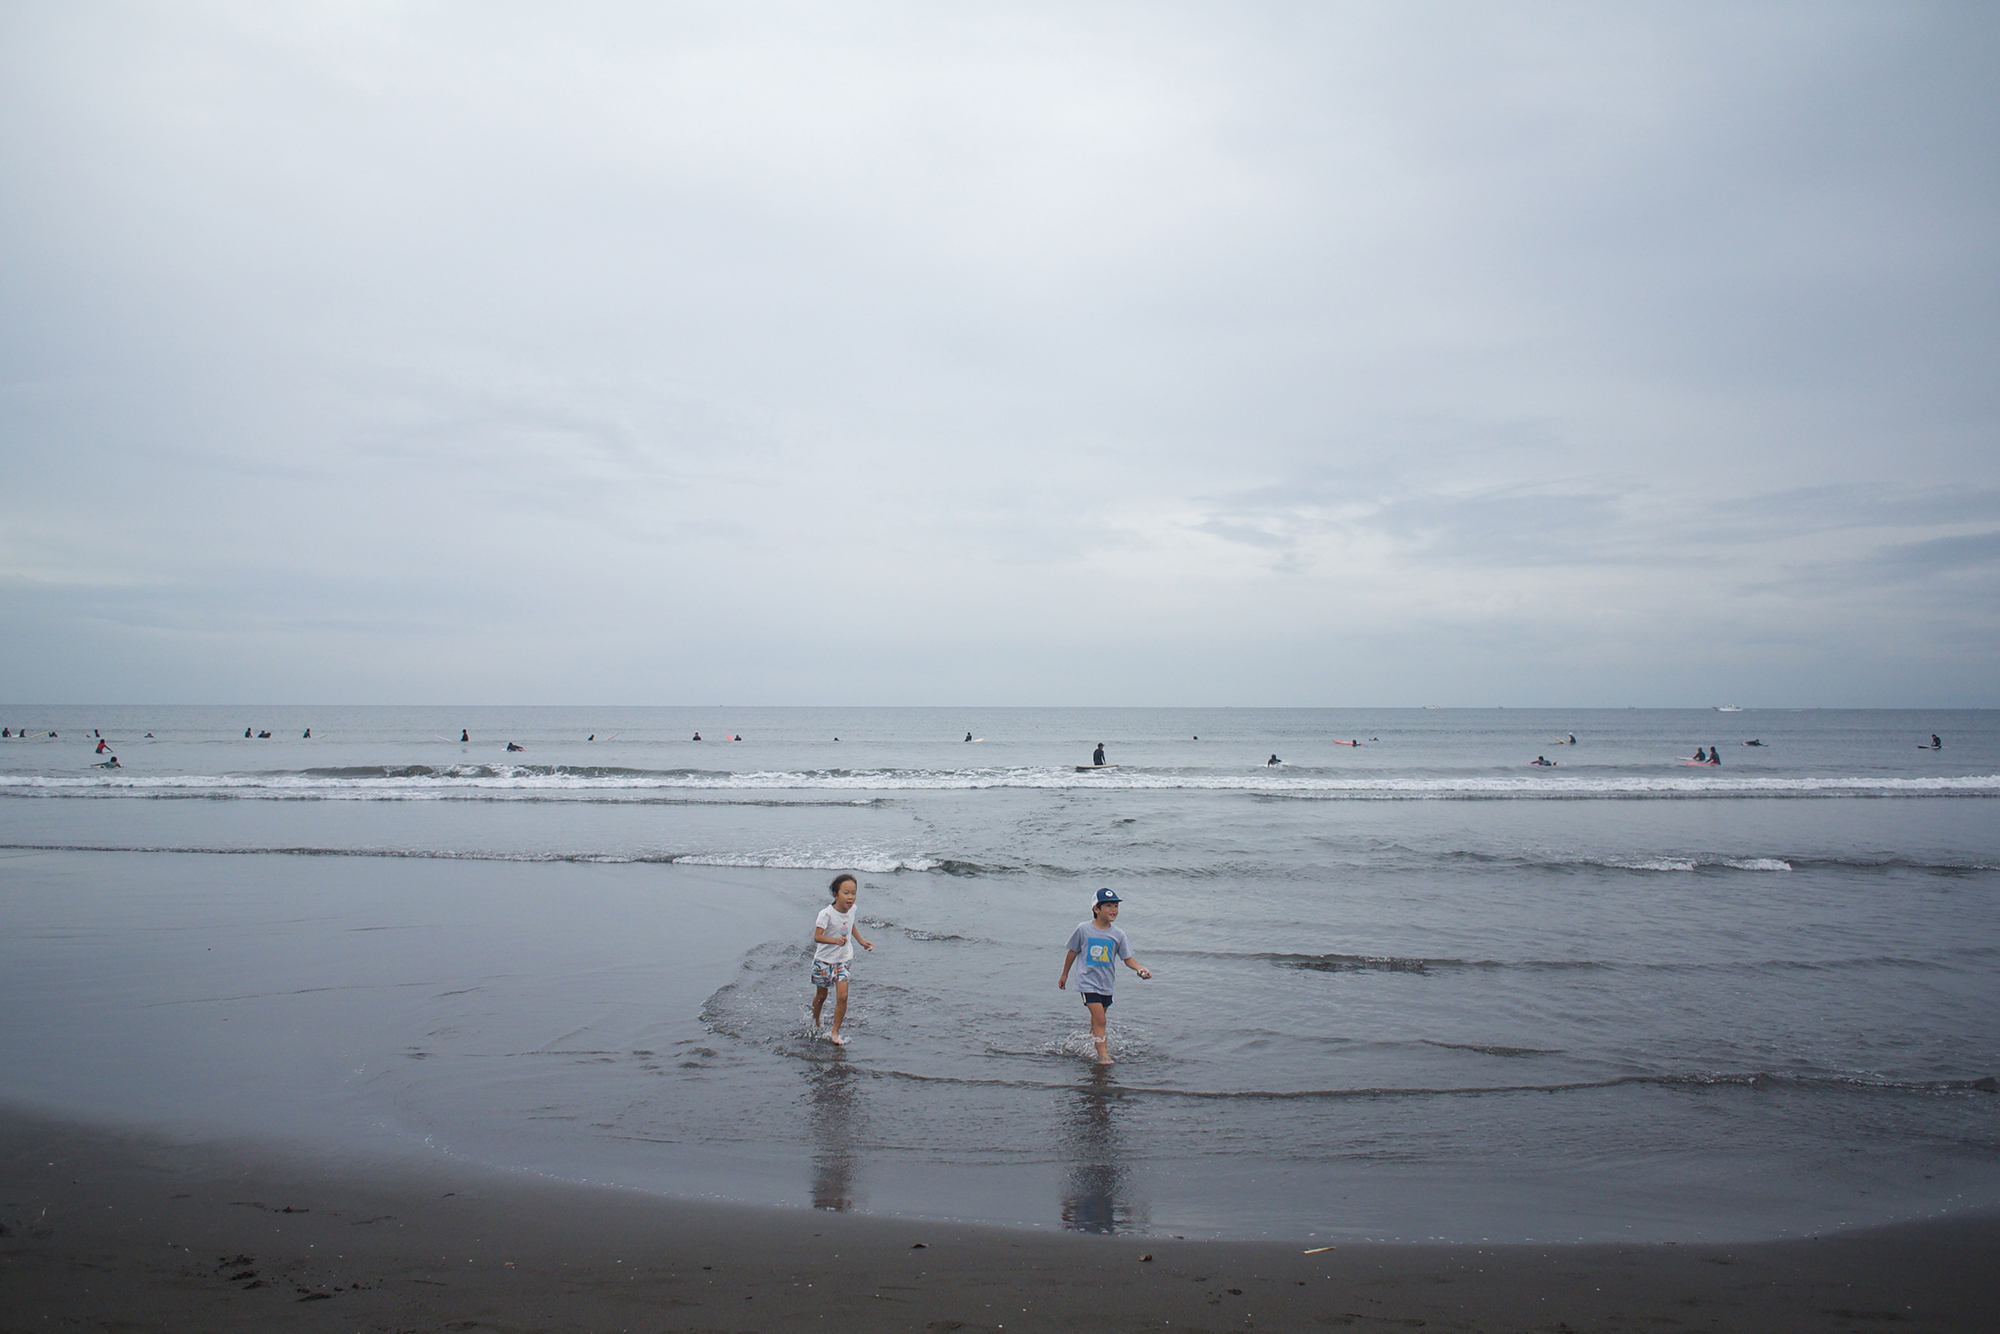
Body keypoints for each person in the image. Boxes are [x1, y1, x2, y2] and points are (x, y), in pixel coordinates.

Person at [1059, 889, 1150, 1066]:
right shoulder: (1083, 929)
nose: (1113, 909)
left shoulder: (1118, 934)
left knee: (1097, 1020)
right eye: (1108, 905)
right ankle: (1103, 1056)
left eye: (1116, 906)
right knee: (1101, 1019)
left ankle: (1089, 1044)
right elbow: (1072, 952)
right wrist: (1064, 975)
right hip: (1087, 982)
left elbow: (1127, 959)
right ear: (1096, 908)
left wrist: (1140, 968)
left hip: (1106, 984)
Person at [811, 873, 873, 1045]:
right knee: (821, 996)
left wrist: (861, 941)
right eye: (846, 893)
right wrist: (835, 941)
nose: (850, 897)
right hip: (824, 960)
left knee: (843, 996)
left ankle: (835, 1032)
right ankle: (815, 1020)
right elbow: (817, 937)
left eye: (853, 893)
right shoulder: (826, 914)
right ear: (835, 894)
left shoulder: (852, 909)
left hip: (843, 959)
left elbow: (851, 924)